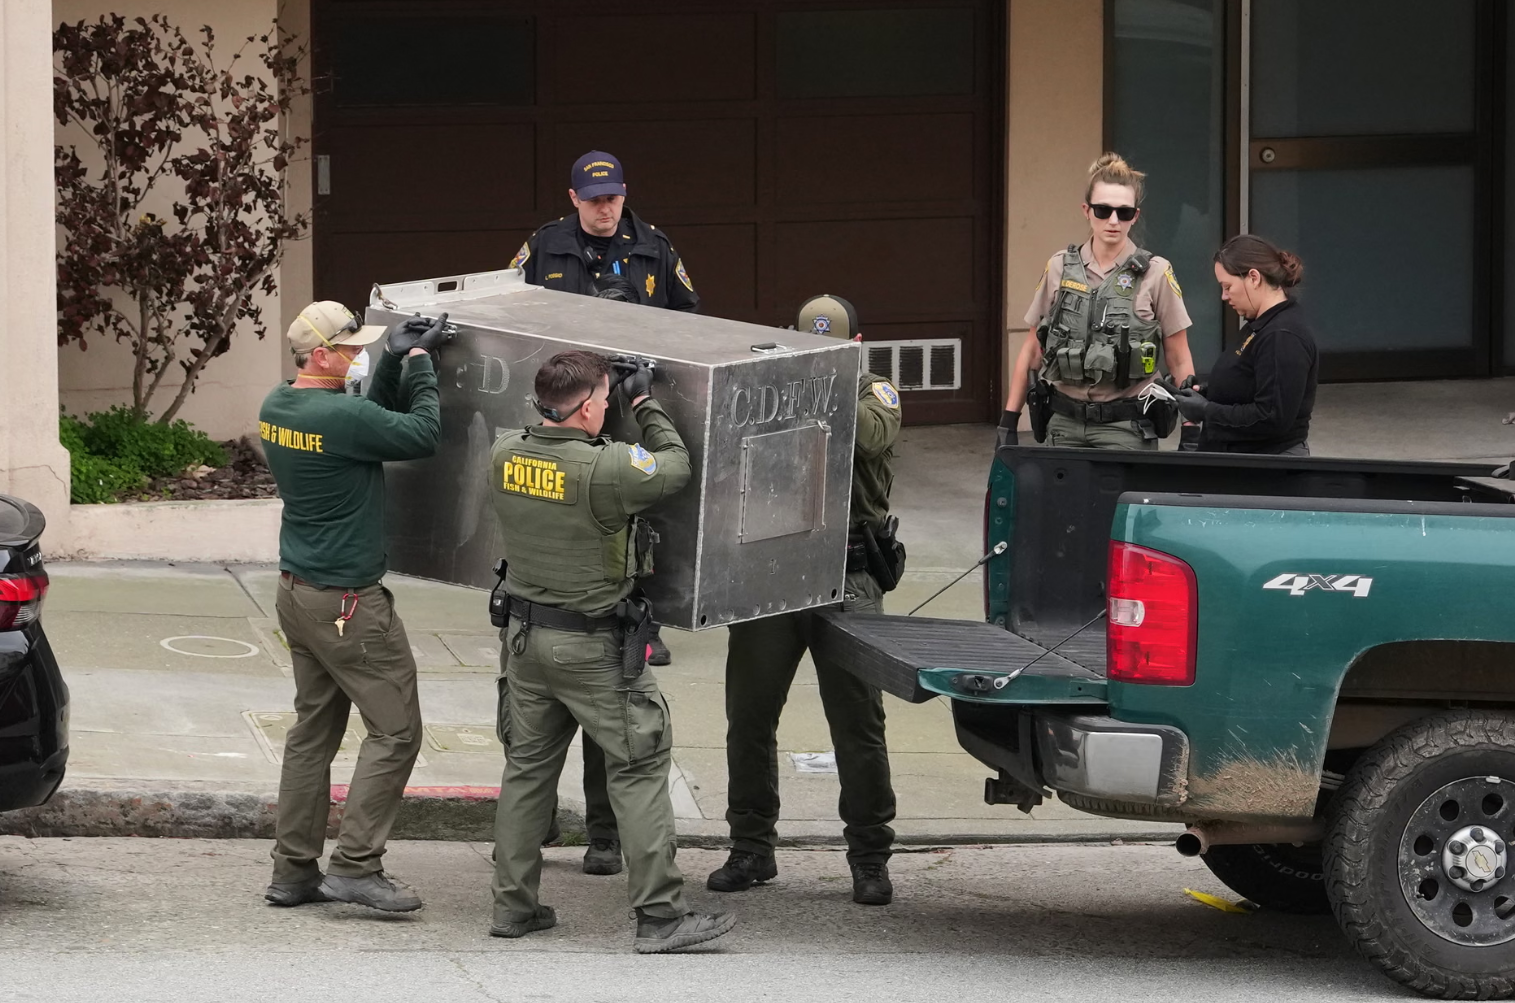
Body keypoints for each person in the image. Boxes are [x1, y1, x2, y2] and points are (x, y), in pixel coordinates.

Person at [487, 350, 735, 953]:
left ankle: (513, 907)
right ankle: (660, 916)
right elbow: (676, 466)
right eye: (602, 399)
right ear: (586, 408)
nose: (606, 406)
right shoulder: (610, 468)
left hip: (523, 641)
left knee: (527, 771)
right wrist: (644, 401)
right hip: (593, 647)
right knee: (639, 769)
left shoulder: (504, 452)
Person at [707, 295, 902, 907]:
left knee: (857, 722)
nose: (821, 355)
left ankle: (869, 855)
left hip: (847, 575)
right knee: (750, 715)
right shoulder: (773, 391)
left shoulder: (876, 393)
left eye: (834, 347)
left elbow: (868, 438)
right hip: (773, 573)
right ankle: (750, 846)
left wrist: (821, 375)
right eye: (809, 344)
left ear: (856, 346)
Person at [258, 301, 449, 912]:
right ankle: (356, 866)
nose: (357, 356)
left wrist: (389, 359)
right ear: (320, 355)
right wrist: (419, 364)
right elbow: (420, 433)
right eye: (349, 349)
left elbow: (369, 422)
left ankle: (292, 871)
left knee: (312, 735)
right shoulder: (340, 415)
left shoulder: (278, 405)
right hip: (348, 605)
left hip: (297, 594)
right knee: (396, 731)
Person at [999, 153, 1195, 450]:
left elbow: (1178, 357)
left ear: (1135, 216)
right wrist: (1009, 421)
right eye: (1103, 210)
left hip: (1126, 427)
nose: (1113, 221)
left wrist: (1191, 428)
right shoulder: (1059, 267)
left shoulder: (1156, 273)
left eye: (1124, 212)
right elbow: (1031, 349)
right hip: (1063, 423)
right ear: (1086, 211)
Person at [1175, 235, 1317, 455]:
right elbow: (1250, 384)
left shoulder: (1282, 335)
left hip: (1264, 465)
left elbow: (1272, 416)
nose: (1224, 296)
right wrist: (1206, 393)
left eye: (1227, 286)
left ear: (1253, 278)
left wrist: (1207, 411)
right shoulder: (1262, 324)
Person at [509, 149, 698, 315]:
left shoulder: (653, 244)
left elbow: (687, 309)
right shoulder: (546, 242)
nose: (605, 209)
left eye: (611, 198)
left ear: (624, 192)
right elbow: (509, 301)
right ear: (574, 198)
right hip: (565, 344)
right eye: (594, 200)